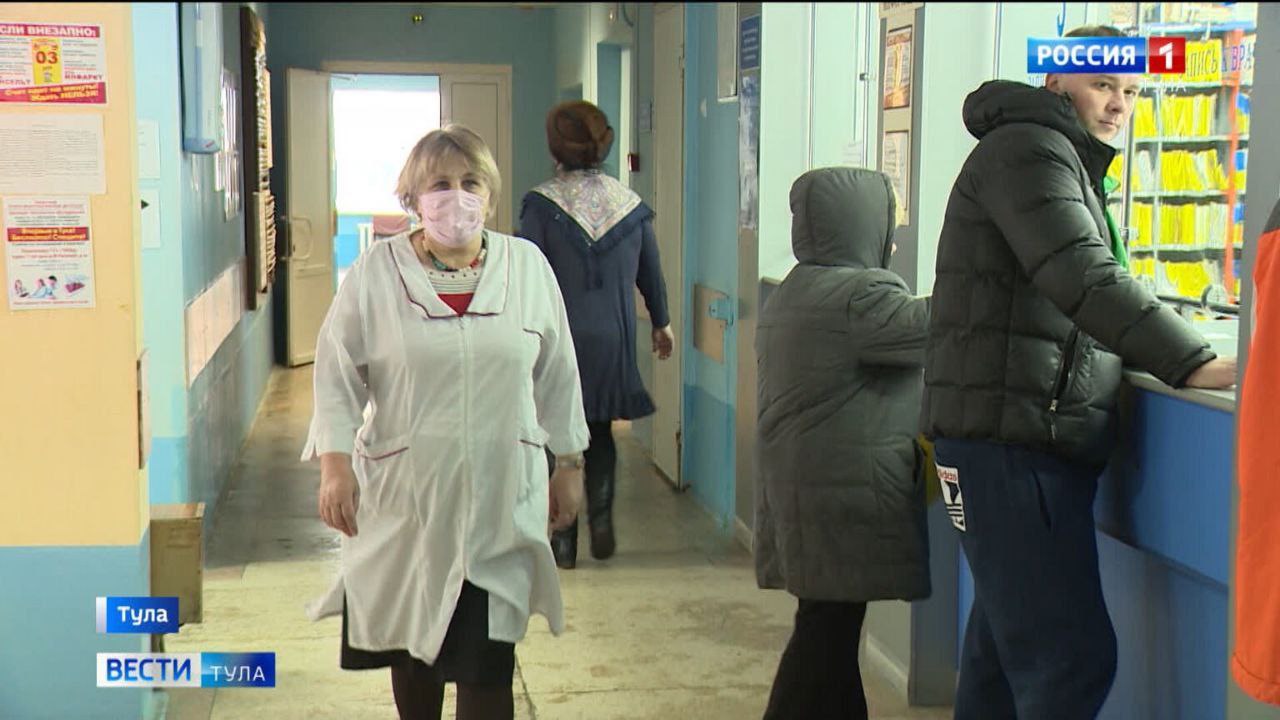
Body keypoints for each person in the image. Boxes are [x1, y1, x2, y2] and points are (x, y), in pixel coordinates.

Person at [921, 25, 1238, 719]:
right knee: (1071, 659)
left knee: (1004, 659)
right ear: (1055, 81)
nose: (1119, 104)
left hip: (1009, 440)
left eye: (1132, 90)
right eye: (1102, 84)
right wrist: (1189, 358)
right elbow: (1081, 273)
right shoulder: (1028, 150)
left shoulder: (1057, 156)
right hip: (1010, 448)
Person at [302, 125, 591, 720]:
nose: (455, 196)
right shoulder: (376, 273)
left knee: (488, 669)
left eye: (470, 182)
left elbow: (559, 372)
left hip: (500, 502)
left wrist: (569, 462)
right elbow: (334, 370)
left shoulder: (526, 267)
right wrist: (334, 464)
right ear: (413, 197)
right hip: (409, 503)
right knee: (416, 658)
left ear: (490, 194)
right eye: (439, 184)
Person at [755, 168, 930, 720]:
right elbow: (938, 328)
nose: (893, 240)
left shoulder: (795, 288)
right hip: (841, 497)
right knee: (824, 638)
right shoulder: (862, 295)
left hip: (803, 485)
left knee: (829, 633)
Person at [518, 100, 674, 569]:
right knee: (600, 431)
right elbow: (651, 273)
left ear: (555, 147)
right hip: (613, 339)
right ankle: (601, 520)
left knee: (555, 433)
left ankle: (563, 540)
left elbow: (526, 275)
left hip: (555, 340)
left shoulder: (541, 207)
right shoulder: (629, 207)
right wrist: (662, 323)